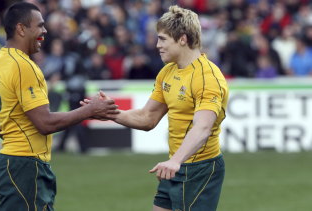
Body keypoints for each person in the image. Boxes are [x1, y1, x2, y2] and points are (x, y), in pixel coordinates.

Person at [83, 5, 228, 211]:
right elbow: (147, 117)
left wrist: (176, 161)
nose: (157, 45)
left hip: (199, 169)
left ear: (183, 39)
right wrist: (109, 113)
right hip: (174, 166)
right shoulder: (167, 72)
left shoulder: (207, 77)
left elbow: (203, 128)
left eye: (162, 39)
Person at [0, 2, 118, 210]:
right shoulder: (23, 65)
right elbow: (44, 123)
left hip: (13, 163)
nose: (44, 31)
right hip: (25, 167)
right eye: (39, 25)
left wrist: (16, 143)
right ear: (21, 28)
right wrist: (90, 110)